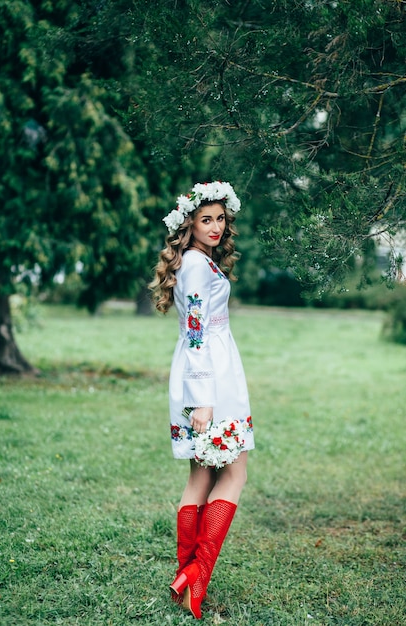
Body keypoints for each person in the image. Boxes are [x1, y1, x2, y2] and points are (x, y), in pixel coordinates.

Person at [149, 181, 255, 619]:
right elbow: (195, 335)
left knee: (201, 478)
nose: (215, 226)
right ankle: (197, 576)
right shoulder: (195, 266)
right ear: (188, 224)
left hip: (212, 371)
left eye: (220, 218)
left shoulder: (199, 262)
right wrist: (203, 399)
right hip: (209, 379)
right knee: (233, 474)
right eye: (205, 219)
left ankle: (186, 577)